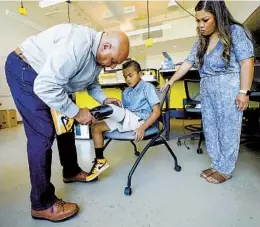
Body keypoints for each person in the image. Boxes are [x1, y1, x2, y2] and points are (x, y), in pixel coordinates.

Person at [4, 23, 129, 222]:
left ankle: (70, 170)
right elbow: (45, 86)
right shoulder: (77, 45)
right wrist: (78, 112)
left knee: (65, 124)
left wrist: (104, 100)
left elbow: (92, 83)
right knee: (42, 133)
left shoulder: (97, 58)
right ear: (105, 46)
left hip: (52, 80)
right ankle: (41, 204)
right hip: (26, 68)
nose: (112, 66)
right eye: (113, 60)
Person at [162, 0, 254, 184]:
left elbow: (246, 62)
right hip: (207, 89)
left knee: (228, 129)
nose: (201, 25)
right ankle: (217, 164)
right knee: (211, 128)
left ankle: (225, 169)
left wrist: (244, 91)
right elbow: (187, 64)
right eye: (197, 21)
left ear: (218, 16)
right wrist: (170, 82)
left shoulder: (235, 33)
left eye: (205, 20)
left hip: (228, 88)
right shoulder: (200, 42)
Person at [87, 60, 161, 181]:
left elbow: (156, 112)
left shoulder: (148, 87)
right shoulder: (126, 91)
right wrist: (118, 109)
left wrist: (142, 128)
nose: (127, 79)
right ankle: (100, 161)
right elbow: (124, 113)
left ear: (140, 74)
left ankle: (96, 112)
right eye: (125, 76)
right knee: (95, 127)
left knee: (113, 109)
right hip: (127, 119)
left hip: (139, 120)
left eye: (131, 75)